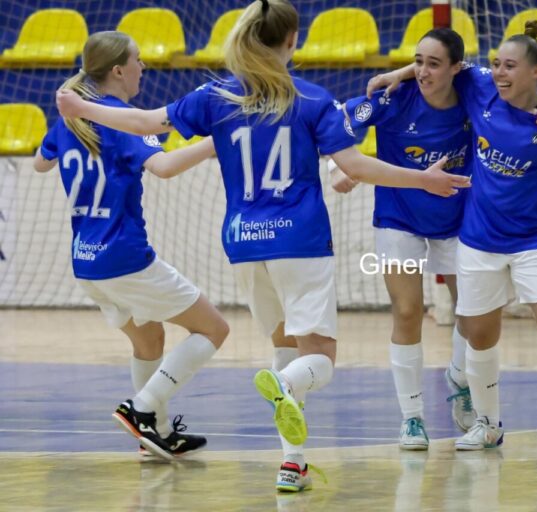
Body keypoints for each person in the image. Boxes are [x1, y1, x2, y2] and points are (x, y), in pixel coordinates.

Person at [56, 0, 468, 492]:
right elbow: (356, 167)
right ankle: (283, 397)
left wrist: (80, 107)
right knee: (317, 361)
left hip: (244, 244)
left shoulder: (216, 96)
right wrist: (423, 179)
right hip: (300, 241)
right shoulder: (310, 100)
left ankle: (292, 461)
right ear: (291, 41)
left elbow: (148, 124)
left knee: (284, 349)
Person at [370, 20, 537, 452]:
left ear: (536, 72)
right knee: (477, 334)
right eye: (496, 64)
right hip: (478, 242)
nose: (499, 72)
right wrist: (397, 74)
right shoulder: (480, 88)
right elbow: (440, 65)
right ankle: (485, 424)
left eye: (510, 66)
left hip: (536, 239)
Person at [334, 28, 537, 450]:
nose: (422, 71)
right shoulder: (391, 98)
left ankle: (459, 379)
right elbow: (333, 124)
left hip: (461, 221)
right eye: (417, 61)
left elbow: (532, 83)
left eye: (433, 64)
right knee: (407, 311)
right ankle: (411, 419)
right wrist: (344, 167)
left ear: (457, 68)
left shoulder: (475, 83)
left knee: (473, 311)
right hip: (398, 217)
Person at [34, 31, 229, 460]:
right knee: (215, 329)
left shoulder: (69, 118)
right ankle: (141, 411)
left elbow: (40, 162)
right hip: (125, 257)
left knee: (149, 340)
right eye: (139, 60)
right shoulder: (119, 119)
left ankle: (154, 434)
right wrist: (216, 142)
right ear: (118, 69)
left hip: (86, 263)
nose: (144, 67)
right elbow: (163, 167)